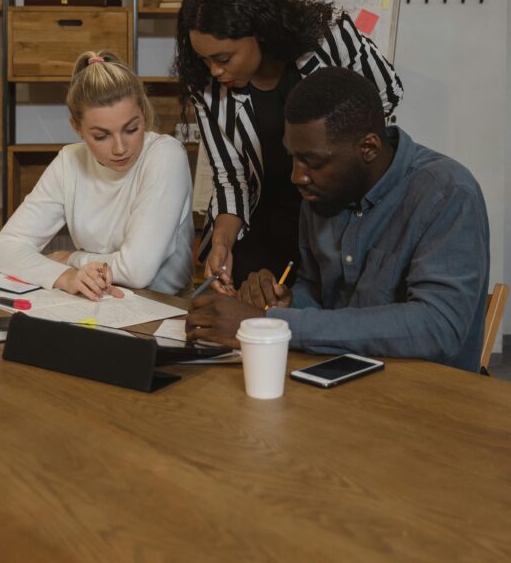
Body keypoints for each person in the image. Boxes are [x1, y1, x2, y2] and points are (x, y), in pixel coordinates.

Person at [186, 68, 490, 372]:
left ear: (368, 148)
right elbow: (317, 289)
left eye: (313, 162)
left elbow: (439, 327)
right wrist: (287, 302)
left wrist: (274, 324)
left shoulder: (447, 194)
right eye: (292, 156)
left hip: (429, 398)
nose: (297, 176)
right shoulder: (320, 190)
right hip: (343, 380)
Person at [174, 0, 403, 288]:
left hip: (340, 219)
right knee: (250, 319)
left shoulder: (328, 40)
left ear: (260, 33)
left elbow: (386, 94)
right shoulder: (209, 89)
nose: (214, 70)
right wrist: (222, 243)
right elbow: (232, 179)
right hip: (267, 229)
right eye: (204, 60)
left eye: (223, 58)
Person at [0, 50, 195, 300]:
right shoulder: (69, 161)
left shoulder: (165, 154)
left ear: (143, 112)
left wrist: (72, 259)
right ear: (77, 128)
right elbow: (4, 249)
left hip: (162, 309)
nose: (120, 148)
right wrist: (65, 277)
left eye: (131, 129)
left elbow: (137, 271)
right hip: (96, 305)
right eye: (101, 136)